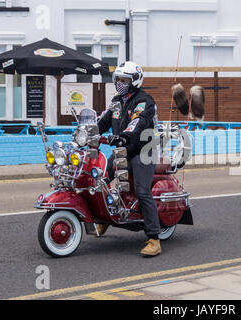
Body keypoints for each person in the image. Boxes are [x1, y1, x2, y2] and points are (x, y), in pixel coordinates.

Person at [97, 61, 162, 256]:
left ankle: (154, 239)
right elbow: (104, 120)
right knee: (100, 180)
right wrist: (88, 131)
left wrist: (124, 135)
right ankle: (105, 218)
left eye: (125, 80)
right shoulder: (117, 100)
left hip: (144, 150)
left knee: (142, 191)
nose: (120, 83)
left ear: (135, 81)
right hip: (123, 150)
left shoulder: (144, 101)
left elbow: (138, 122)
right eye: (118, 79)